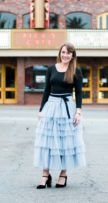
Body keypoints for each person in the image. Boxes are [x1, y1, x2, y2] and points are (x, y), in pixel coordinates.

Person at [33, 42, 86, 189]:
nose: (65, 55)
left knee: (65, 142)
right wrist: (41, 110)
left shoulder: (76, 71)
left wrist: (78, 112)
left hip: (67, 107)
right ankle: (45, 174)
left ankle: (63, 174)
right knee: (47, 141)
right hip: (51, 106)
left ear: (72, 55)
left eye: (68, 53)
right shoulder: (51, 68)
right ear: (60, 53)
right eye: (63, 52)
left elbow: (79, 93)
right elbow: (46, 90)